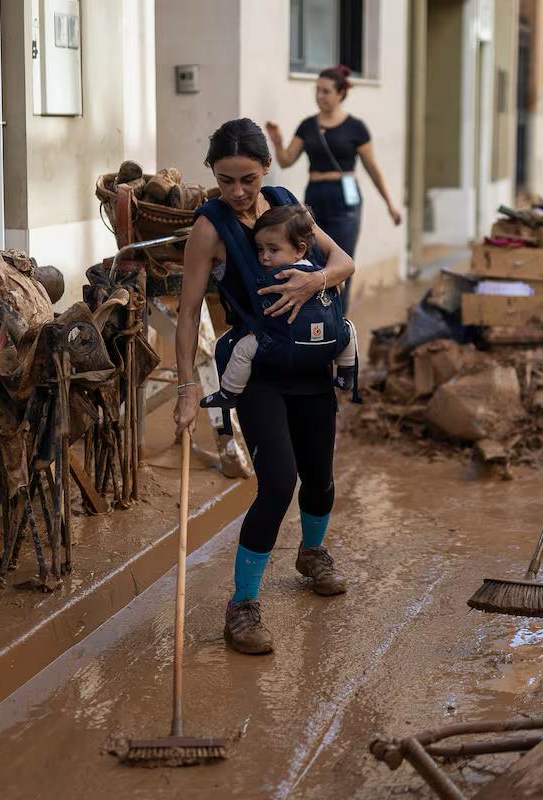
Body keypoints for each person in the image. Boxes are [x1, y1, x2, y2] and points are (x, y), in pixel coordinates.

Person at [174, 119, 356, 655]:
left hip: (310, 367)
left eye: (247, 179)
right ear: (213, 173)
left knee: (320, 478)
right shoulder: (209, 228)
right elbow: (187, 315)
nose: (236, 192)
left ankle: (312, 553)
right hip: (258, 375)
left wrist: (313, 278)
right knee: (278, 483)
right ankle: (243, 607)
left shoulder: (284, 206)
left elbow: (343, 261)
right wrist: (187, 387)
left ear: (266, 171)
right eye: (225, 179)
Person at [265, 65, 401, 309]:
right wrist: (277, 142)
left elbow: (372, 168)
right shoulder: (307, 125)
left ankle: (340, 318)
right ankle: (317, 315)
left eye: (326, 91)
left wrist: (390, 204)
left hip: (344, 198)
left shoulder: (355, 128)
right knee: (312, 254)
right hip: (314, 195)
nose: (320, 96)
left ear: (340, 94)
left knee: (341, 259)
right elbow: (286, 161)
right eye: (317, 90)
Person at [199, 203, 359, 409]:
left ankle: (229, 392)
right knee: (348, 328)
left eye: (273, 249)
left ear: (300, 250)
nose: (265, 256)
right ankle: (346, 373)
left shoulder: (275, 275)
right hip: (325, 343)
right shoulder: (317, 270)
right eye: (260, 249)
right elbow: (342, 273)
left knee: (243, 349)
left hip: (283, 345)